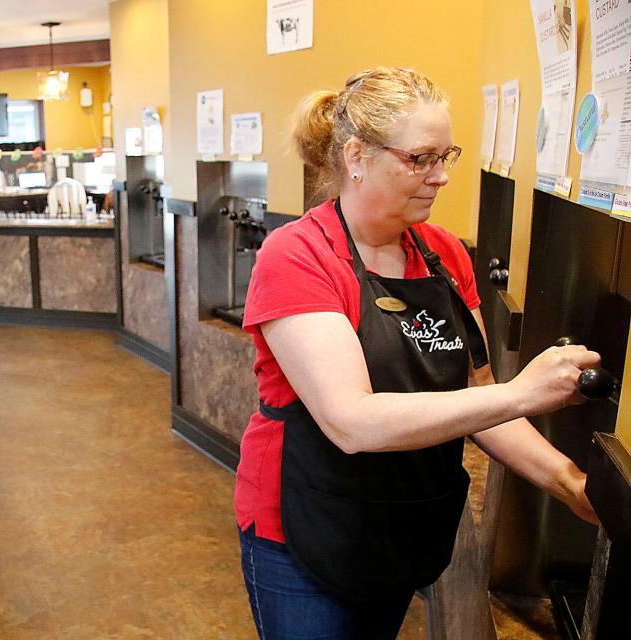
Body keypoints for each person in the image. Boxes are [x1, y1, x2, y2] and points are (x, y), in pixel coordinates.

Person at [234, 67, 600, 640]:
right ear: (357, 155)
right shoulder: (298, 256)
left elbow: (481, 402)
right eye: (420, 159)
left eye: (446, 155)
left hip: (404, 518)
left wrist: (570, 484)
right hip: (303, 522)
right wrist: (521, 393)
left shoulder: (444, 254)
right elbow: (351, 421)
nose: (442, 177)